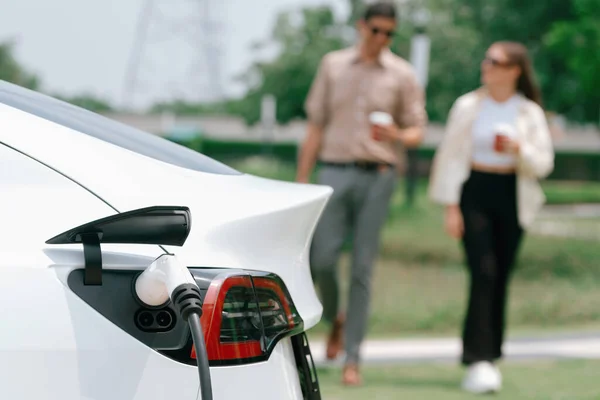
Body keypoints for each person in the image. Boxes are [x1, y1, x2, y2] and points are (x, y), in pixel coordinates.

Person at [296, 1, 427, 386]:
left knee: (363, 269)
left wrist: (397, 136)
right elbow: (315, 126)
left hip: (379, 176)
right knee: (321, 259)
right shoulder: (332, 65)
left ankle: (353, 358)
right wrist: (302, 180)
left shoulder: (402, 74)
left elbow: (418, 130)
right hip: (333, 170)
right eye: (377, 31)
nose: (382, 39)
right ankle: (336, 317)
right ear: (361, 27)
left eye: (390, 33)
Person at [428, 41, 555, 394]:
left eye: (495, 61)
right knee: (483, 272)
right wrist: (450, 207)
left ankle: (491, 357)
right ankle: (478, 359)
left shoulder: (528, 112)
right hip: (474, 192)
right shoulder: (468, 105)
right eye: (485, 58)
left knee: (500, 276)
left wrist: (518, 149)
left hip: (512, 194)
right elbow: (449, 157)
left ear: (514, 70)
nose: (486, 65)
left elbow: (544, 163)